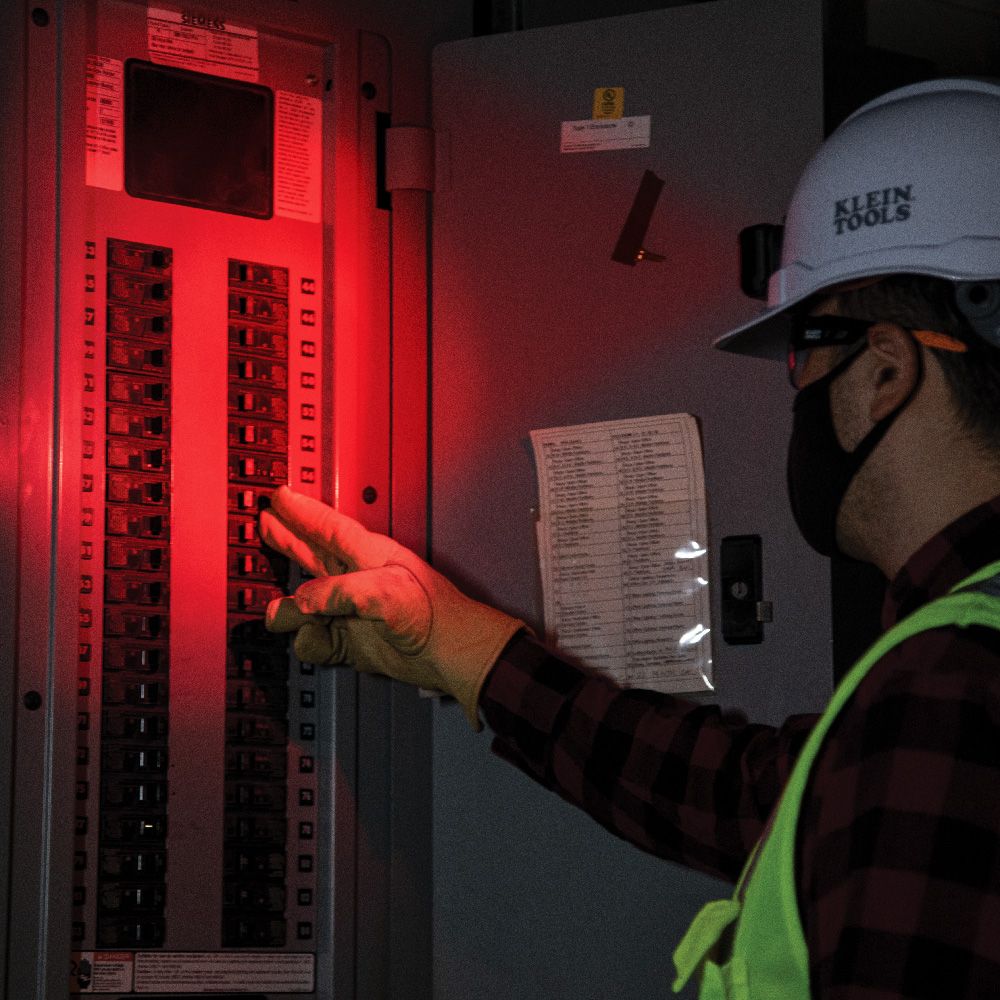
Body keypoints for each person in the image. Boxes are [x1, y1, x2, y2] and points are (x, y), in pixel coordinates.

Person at [262, 78, 1000, 998]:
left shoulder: (950, 686)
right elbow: (746, 794)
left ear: (885, 371)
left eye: (804, 357)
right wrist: (458, 642)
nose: (799, 394)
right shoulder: (958, 671)